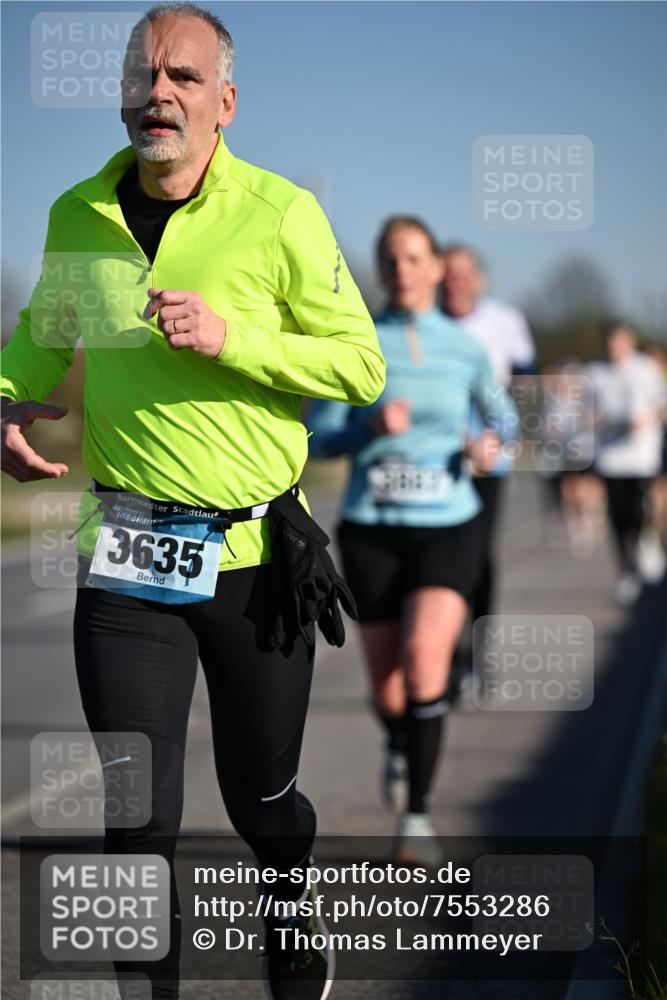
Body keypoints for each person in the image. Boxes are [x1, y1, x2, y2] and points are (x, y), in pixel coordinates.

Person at [0, 5, 385, 999]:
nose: (156, 92)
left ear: (224, 101)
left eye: (179, 75)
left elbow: (360, 365)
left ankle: (290, 894)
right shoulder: (75, 214)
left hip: (257, 564)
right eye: (141, 75)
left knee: (261, 807)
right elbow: (41, 339)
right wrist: (5, 402)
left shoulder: (280, 212)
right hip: (125, 558)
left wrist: (234, 338)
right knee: (137, 821)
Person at [306, 217, 515, 864]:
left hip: (448, 525)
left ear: (434, 269)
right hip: (371, 530)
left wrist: (489, 445)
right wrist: (367, 428)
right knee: (389, 688)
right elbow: (317, 437)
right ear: (382, 268)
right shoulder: (354, 341)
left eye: (413, 258)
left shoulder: (465, 346)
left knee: (427, 661)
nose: (401, 269)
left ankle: (418, 817)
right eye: (390, 259)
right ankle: (399, 741)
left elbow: (501, 417)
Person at [440, 245, 535, 705]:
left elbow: (526, 381)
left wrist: (504, 426)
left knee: (477, 556)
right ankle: (446, 659)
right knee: (445, 561)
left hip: (488, 460)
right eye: (448, 274)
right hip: (437, 460)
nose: (455, 282)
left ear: (479, 280)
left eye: (463, 274)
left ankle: (474, 657)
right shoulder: (426, 322)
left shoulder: (505, 322)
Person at [587, 320, 667, 604]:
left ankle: (649, 545)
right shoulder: (594, 373)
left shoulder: (646, 368)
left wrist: (644, 421)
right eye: (610, 340)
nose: (615, 346)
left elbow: (661, 405)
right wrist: (596, 423)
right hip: (610, 457)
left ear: (630, 340)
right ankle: (627, 571)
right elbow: (586, 412)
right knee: (618, 518)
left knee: (641, 510)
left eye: (620, 340)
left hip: (641, 455)